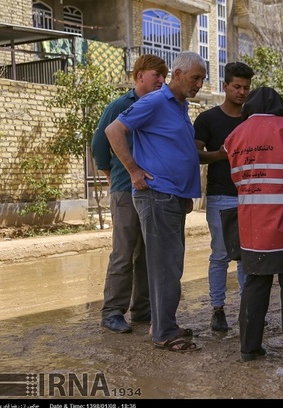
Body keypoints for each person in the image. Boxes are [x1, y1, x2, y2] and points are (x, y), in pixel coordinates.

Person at [104, 51, 207, 352]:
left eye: (202, 79)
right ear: (177, 74)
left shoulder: (179, 106)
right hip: (157, 195)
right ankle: (163, 332)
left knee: (170, 265)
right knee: (165, 266)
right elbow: (114, 131)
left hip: (174, 197)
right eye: (195, 78)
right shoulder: (154, 101)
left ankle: (164, 323)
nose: (199, 84)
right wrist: (133, 169)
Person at [223, 87, 283, 365]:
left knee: (255, 285)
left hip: (252, 224)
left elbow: (235, 178)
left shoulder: (233, 136)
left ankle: (249, 349)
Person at [91, 54, 169, 334]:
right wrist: (113, 175)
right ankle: (112, 311)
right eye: (156, 75)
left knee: (146, 253)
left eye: (164, 75)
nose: (161, 80)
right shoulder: (120, 106)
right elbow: (100, 144)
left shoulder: (160, 106)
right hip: (125, 189)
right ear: (139, 77)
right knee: (123, 252)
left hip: (154, 191)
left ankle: (142, 310)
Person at [193, 62, 255, 332]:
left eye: (246, 88)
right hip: (220, 196)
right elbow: (195, 154)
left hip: (251, 196)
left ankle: (247, 308)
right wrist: (220, 155)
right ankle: (217, 310)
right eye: (237, 87)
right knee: (220, 255)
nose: (242, 92)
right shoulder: (207, 119)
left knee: (246, 256)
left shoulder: (252, 118)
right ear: (225, 86)